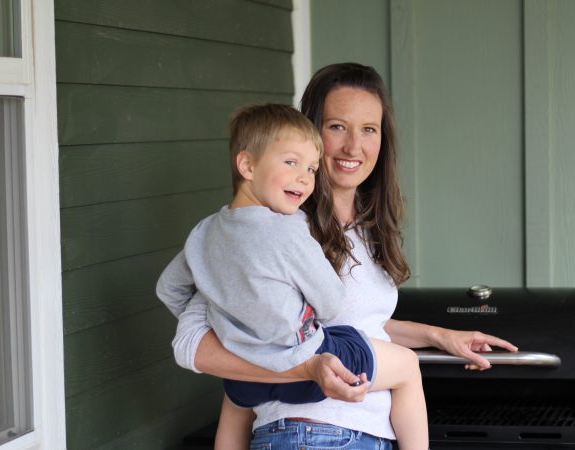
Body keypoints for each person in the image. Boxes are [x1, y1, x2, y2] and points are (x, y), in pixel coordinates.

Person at [166, 63, 518, 449]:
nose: (354, 146)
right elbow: (197, 344)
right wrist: (309, 367)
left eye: (369, 129)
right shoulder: (268, 232)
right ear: (309, 133)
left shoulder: (366, 230)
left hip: (364, 434)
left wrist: (439, 335)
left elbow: (354, 324)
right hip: (315, 432)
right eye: (337, 127)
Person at [156, 103, 428, 449]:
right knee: (406, 364)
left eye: (311, 169)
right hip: (311, 359)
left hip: (246, 383)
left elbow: (169, 288)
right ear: (247, 165)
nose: (304, 177)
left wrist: (227, 318)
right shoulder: (288, 230)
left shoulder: (204, 232)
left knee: (236, 408)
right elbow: (331, 302)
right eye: (291, 163)